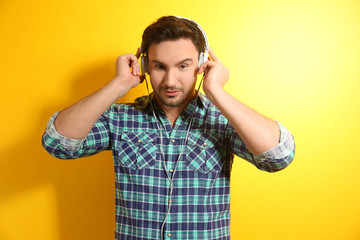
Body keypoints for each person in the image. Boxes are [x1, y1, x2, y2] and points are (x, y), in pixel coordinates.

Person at [42, 16, 295, 240]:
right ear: (144, 66)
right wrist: (118, 84)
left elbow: (279, 157)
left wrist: (217, 92)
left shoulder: (223, 120)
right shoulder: (119, 119)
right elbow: (57, 144)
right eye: (159, 66)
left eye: (183, 66)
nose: (170, 81)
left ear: (202, 63)